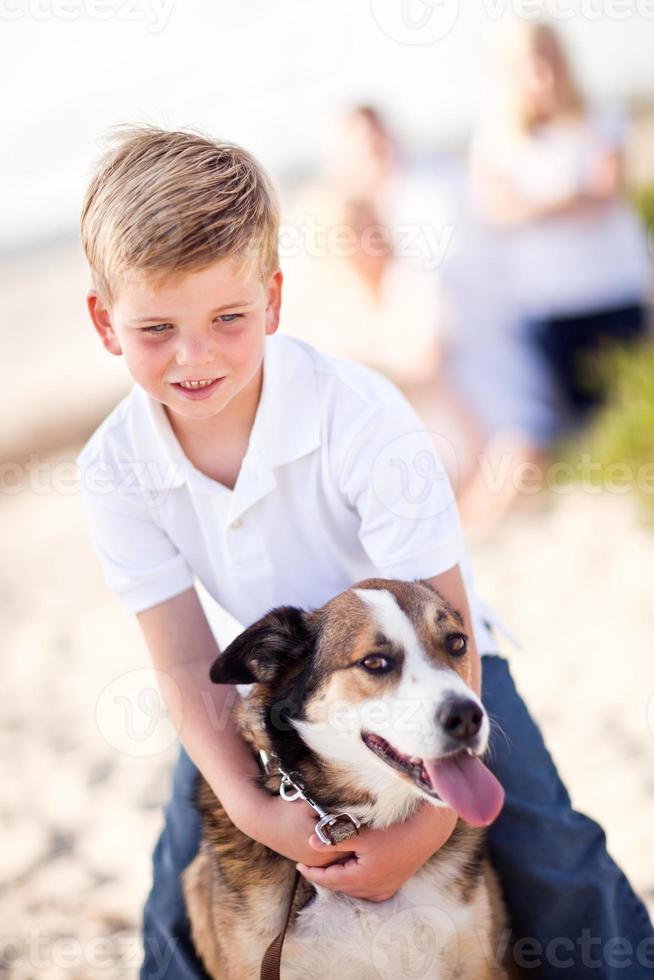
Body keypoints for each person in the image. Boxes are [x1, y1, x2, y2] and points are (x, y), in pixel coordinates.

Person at [76, 126, 653, 979]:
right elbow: (187, 659)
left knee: (550, 851)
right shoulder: (112, 467)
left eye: (227, 318)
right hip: (274, 673)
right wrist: (252, 808)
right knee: (176, 891)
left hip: (437, 656)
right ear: (104, 322)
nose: (195, 356)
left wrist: (421, 832)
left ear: (272, 300)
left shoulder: (361, 416)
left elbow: (445, 617)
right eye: (156, 328)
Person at [447, 21, 650, 536]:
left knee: (631, 398)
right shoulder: (496, 135)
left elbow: (604, 193)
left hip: (615, 292)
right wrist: (570, 196)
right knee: (582, 423)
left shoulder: (597, 119)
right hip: (549, 305)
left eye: (545, 58)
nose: (539, 74)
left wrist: (538, 201)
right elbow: (496, 207)